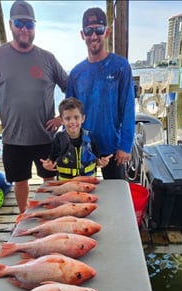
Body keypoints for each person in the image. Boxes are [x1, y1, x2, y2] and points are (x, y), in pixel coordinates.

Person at [0, 1, 67, 215]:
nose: (24, 29)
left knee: (50, 179)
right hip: (13, 138)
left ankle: (51, 217)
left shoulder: (47, 58)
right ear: (11, 24)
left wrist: (61, 118)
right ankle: (22, 218)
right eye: (19, 23)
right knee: (20, 181)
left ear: (34, 27)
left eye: (29, 24)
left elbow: (71, 88)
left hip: (45, 137)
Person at [66, 7, 135, 180]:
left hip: (112, 148)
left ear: (107, 32)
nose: (94, 36)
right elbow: (68, 113)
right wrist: (66, 145)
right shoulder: (75, 73)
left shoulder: (121, 66)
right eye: (89, 31)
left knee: (115, 196)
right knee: (83, 199)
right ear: (83, 34)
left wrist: (125, 145)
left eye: (99, 29)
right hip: (82, 148)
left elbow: (128, 109)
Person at [40, 97, 112, 180]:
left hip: (88, 184)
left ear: (83, 118)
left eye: (76, 117)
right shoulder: (58, 138)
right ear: (62, 121)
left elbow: (97, 160)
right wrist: (47, 165)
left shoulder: (89, 136)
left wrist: (103, 162)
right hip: (65, 185)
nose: (72, 122)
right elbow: (51, 160)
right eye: (67, 118)